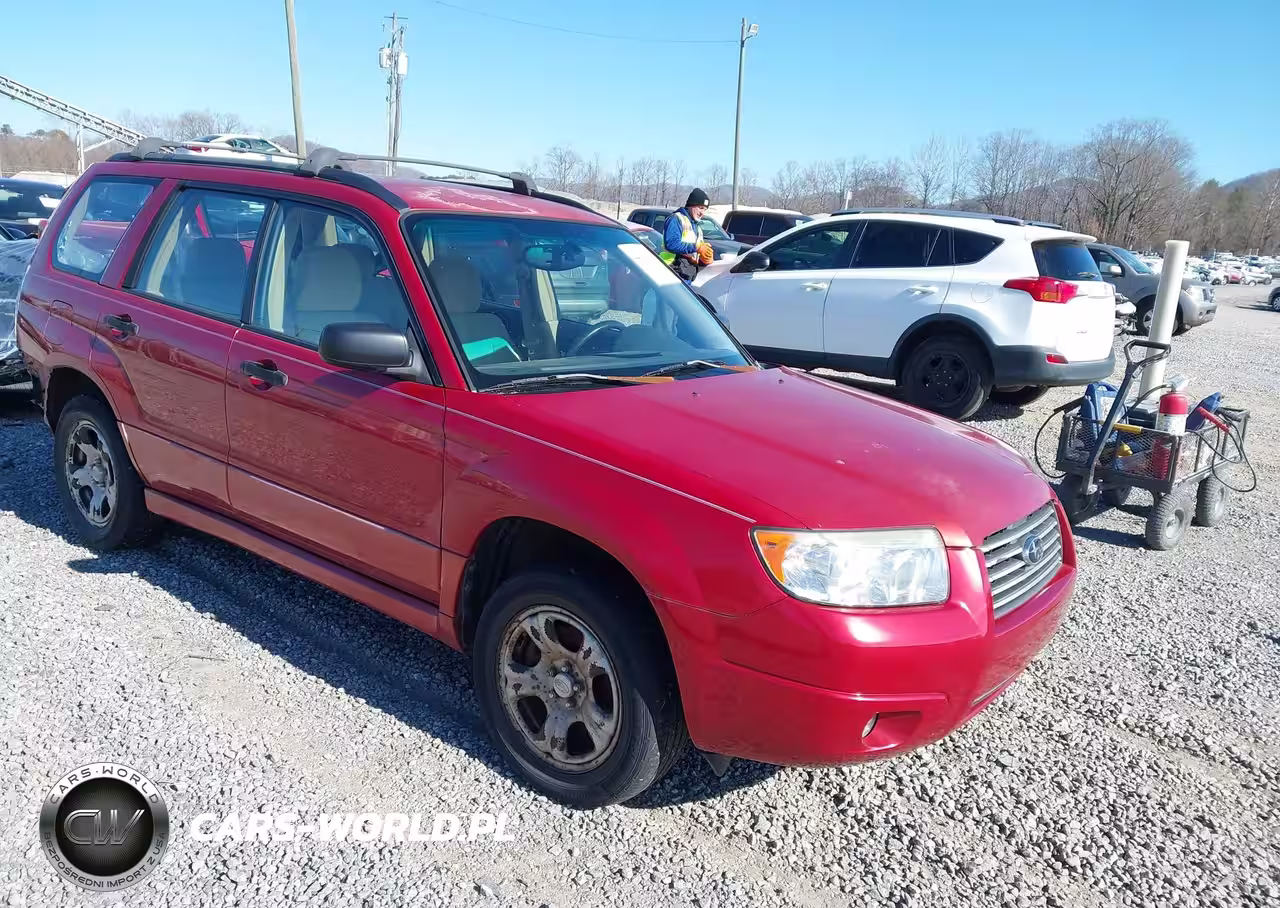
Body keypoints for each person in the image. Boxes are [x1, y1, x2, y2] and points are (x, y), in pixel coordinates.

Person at [664, 189, 716, 282]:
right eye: (700, 207)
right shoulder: (676, 219)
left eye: (705, 209)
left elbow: (695, 253)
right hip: (671, 272)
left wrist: (705, 259)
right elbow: (671, 244)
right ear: (691, 205)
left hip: (687, 275)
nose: (702, 213)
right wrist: (697, 247)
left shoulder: (697, 228)